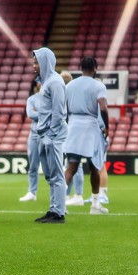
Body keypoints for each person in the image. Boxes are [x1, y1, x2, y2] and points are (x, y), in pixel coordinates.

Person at [63, 56, 110, 215]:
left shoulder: (70, 85)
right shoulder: (98, 85)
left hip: (73, 125)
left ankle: (60, 204)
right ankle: (95, 204)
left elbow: (65, 109)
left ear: (80, 67)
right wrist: (107, 127)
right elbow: (103, 107)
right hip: (90, 126)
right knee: (94, 167)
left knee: (71, 166)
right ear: (95, 68)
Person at [32, 47, 69, 224]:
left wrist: (51, 134)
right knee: (50, 174)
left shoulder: (55, 82)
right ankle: (54, 208)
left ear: (45, 62)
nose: (33, 65)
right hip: (44, 133)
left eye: (36, 62)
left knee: (56, 174)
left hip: (52, 134)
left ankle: (59, 213)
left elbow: (59, 110)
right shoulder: (46, 82)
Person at [61, 70, 86, 205]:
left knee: (73, 164)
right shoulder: (75, 93)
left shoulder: (64, 94)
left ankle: (78, 195)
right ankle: (67, 195)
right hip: (74, 130)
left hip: (70, 131)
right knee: (71, 164)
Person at [19, 81, 42, 202]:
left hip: (49, 135)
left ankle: (56, 193)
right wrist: (46, 113)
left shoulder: (52, 98)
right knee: (33, 165)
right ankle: (32, 192)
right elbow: (30, 114)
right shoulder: (32, 99)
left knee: (51, 167)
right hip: (34, 134)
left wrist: (38, 113)